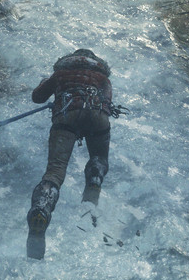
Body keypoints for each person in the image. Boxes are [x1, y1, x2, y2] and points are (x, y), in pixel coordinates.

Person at [26, 48, 119, 259]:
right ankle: (93, 183)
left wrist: (46, 84)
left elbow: (37, 97)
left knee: (55, 172)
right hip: (97, 118)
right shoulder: (103, 77)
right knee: (99, 159)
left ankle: (42, 207)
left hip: (66, 118)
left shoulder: (60, 74)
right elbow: (108, 102)